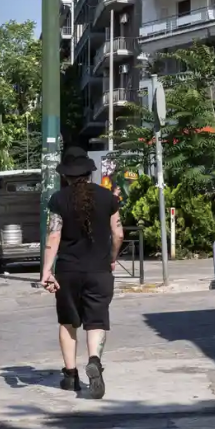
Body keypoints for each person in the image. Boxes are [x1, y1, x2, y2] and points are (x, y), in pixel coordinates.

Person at [40, 147, 125, 399]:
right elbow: (118, 234)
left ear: (65, 175)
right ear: (89, 172)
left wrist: (46, 270)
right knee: (96, 320)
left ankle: (70, 376)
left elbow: (53, 235)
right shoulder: (109, 198)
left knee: (68, 321)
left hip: (67, 271)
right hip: (99, 270)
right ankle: (95, 361)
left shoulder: (58, 200)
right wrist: (111, 258)